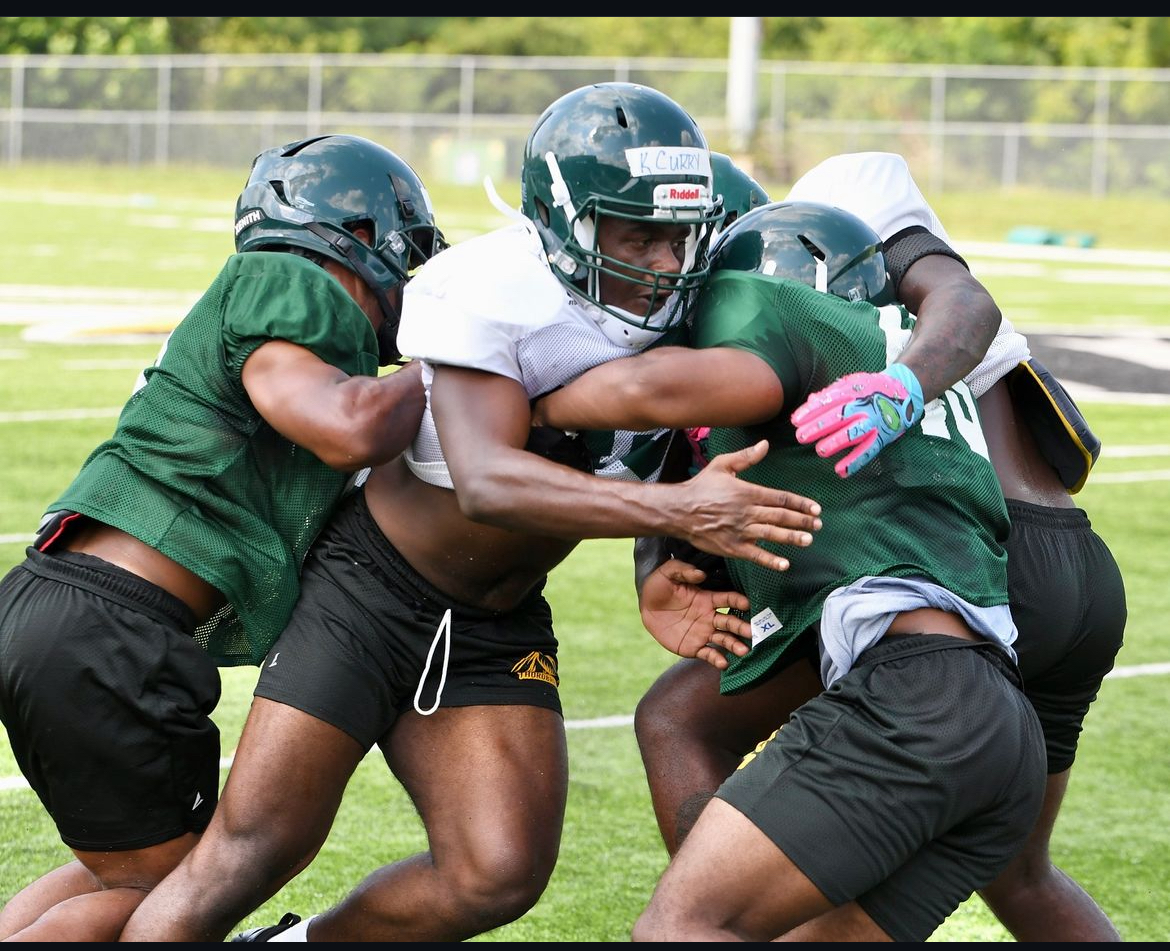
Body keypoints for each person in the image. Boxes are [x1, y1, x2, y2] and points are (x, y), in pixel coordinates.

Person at [117, 82, 823, 944]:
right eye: (638, 234)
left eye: (680, 236)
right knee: (254, 848)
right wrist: (680, 508)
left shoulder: (692, 305)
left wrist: (655, 560)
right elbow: (488, 480)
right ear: (563, 219)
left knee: (497, 871)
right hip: (369, 591)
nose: (667, 263)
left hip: (498, 616)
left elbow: (662, 443)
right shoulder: (496, 285)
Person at [627, 153, 1126, 941]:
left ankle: (739, 905)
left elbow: (963, 300)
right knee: (1021, 873)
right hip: (1078, 569)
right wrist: (657, 558)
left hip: (977, 556)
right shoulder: (797, 276)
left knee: (678, 719)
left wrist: (903, 386)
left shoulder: (826, 214)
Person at [533, 198, 1048, 941]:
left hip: (912, 695)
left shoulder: (780, 308)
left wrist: (521, 398)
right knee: (680, 725)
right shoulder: (905, 352)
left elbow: (650, 392)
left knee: (680, 928)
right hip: (997, 722)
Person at [0, 134, 446, 942]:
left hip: (67, 604)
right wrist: (468, 355)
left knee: (149, 868)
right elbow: (346, 428)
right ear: (361, 234)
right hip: (114, 625)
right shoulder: (292, 278)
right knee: (183, 891)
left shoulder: (265, 299)